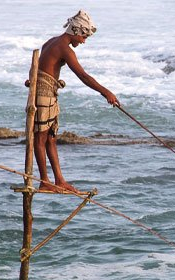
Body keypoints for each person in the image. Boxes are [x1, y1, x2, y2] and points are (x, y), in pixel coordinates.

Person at [30, 9, 119, 193]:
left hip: (48, 93)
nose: (83, 41)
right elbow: (83, 76)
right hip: (43, 95)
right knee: (40, 138)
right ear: (76, 32)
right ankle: (45, 181)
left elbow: (38, 67)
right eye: (83, 37)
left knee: (51, 139)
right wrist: (106, 92)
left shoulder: (51, 41)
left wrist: (32, 80)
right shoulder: (64, 48)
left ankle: (59, 180)